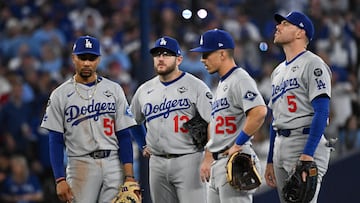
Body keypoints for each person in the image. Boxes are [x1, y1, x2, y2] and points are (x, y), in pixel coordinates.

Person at [40, 36, 138, 203]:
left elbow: (124, 135)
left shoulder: (114, 89)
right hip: (80, 164)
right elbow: (55, 140)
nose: (86, 63)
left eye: (91, 58)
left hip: (113, 163)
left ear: (98, 60)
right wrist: (59, 179)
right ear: (73, 58)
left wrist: (129, 176)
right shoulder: (60, 94)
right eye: (82, 58)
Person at [130, 36, 213, 203]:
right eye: (157, 54)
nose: (161, 58)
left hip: (188, 159)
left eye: (167, 54)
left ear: (179, 59)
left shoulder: (196, 86)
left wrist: (209, 156)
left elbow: (214, 121)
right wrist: (142, 144)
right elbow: (131, 121)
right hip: (157, 162)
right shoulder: (144, 90)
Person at [190, 29, 267, 203]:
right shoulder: (221, 85)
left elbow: (259, 111)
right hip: (218, 162)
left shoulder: (240, 78)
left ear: (223, 53)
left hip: (235, 160)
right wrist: (208, 156)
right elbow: (213, 124)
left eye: (206, 54)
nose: (202, 59)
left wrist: (238, 144)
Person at [264, 11, 332, 203]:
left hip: (304, 141)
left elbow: (322, 110)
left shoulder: (313, 63)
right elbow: (275, 118)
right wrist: (270, 159)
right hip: (280, 145)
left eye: (285, 24)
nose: (278, 27)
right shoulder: (277, 71)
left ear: (299, 33)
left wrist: (308, 153)